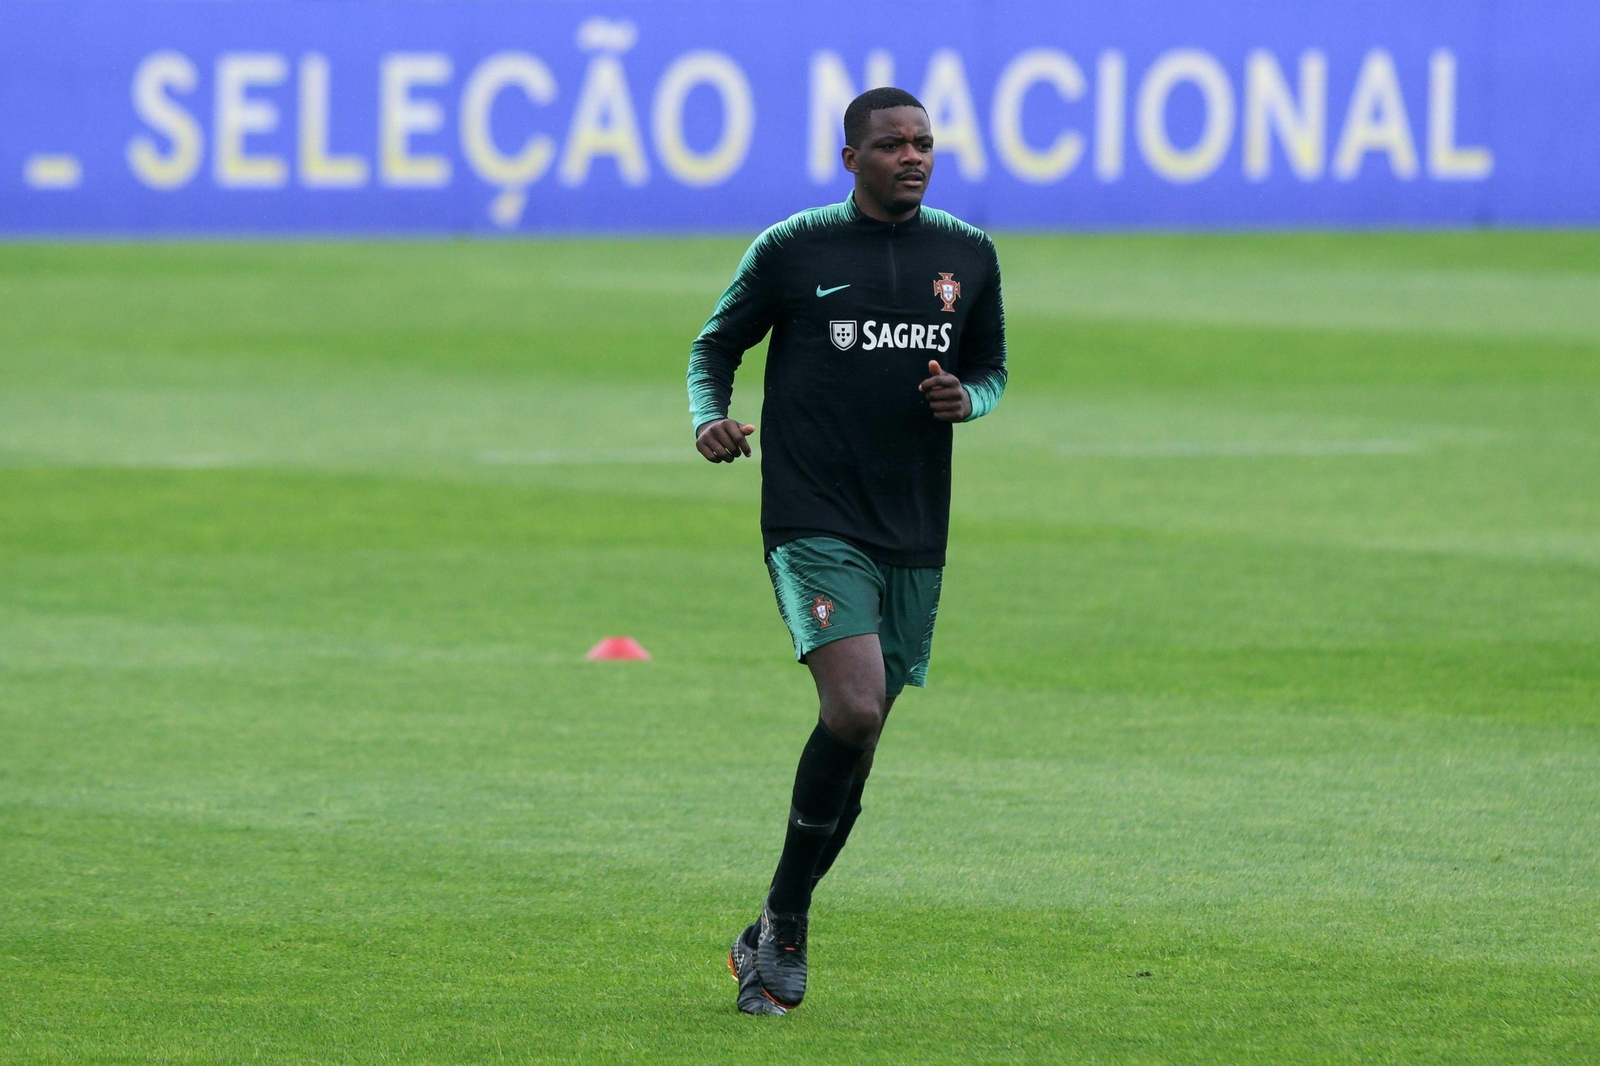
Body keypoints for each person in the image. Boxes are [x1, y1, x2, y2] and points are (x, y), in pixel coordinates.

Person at [686, 86, 1008, 1016]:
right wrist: (709, 417)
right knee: (855, 705)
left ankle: (765, 927)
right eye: (893, 144)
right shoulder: (795, 248)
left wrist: (967, 400)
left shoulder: (969, 254)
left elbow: (990, 369)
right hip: (812, 515)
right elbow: (715, 345)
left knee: (858, 748)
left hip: (913, 525)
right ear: (851, 159)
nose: (913, 157)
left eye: (924, 143)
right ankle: (788, 926)